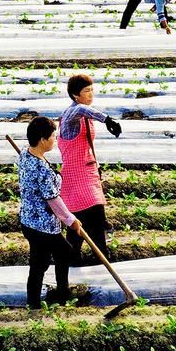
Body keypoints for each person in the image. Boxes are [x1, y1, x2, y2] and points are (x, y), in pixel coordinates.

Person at [17, 115, 84, 309]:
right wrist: (72, 221)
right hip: (42, 225)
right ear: (42, 139)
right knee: (61, 254)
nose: (55, 139)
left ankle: (38, 300)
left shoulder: (25, 154)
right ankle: (60, 295)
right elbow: (54, 201)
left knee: (40, 261)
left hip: (28, 220)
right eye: (53, 136)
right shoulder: (42, 170)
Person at [58, 73, 122, 263]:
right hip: (74, 174)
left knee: (89, 218)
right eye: (87, 91)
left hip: (88, 172)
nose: (91, 94)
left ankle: (95, 257)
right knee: (86, 217)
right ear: (75, 95)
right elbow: (82, 110)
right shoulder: (71, 114)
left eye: (92, 90)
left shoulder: (85, 114)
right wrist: (107, 119)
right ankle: (85, 258)